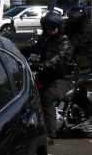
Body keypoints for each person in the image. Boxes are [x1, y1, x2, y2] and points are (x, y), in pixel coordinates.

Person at [32, 11, 74, 145]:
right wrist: (16, 51)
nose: (50, 29)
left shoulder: (64, 42)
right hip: (49, 74)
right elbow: (34, 48)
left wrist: (43, 64)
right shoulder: (47, 39)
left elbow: (58, 58)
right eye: (48, 27)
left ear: (59, 27)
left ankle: (50, 135)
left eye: (53, 26)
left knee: (46, 98)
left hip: (64, 78)